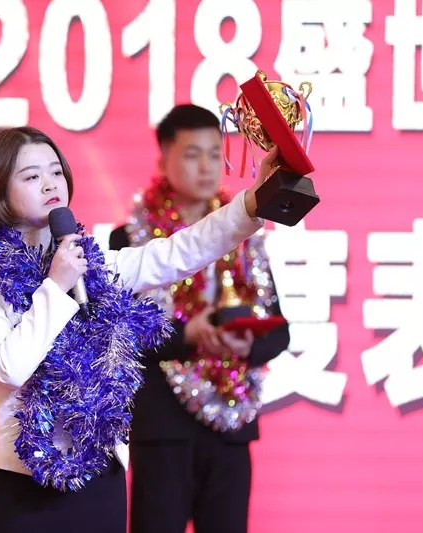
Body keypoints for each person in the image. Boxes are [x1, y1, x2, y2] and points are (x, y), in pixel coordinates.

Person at [0, 125, 279, 532]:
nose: (50, 184)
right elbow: (9, 367)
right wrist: (56, 287)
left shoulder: (96, 265)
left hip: (100, 479)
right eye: (31, 176)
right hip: (23, 484)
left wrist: (254, 201)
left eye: (56, 171)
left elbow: (179, 252)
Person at [109, 104, 291, 533]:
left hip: (231, 425)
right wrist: (186, 334)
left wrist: (248, 343)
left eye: (215, 153)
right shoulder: (129, 240)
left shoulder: (245, 237)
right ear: (163, 160)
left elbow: (280, 331)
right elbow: (120, 334)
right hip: (162, 427)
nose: (207, 167)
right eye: (193, 155)